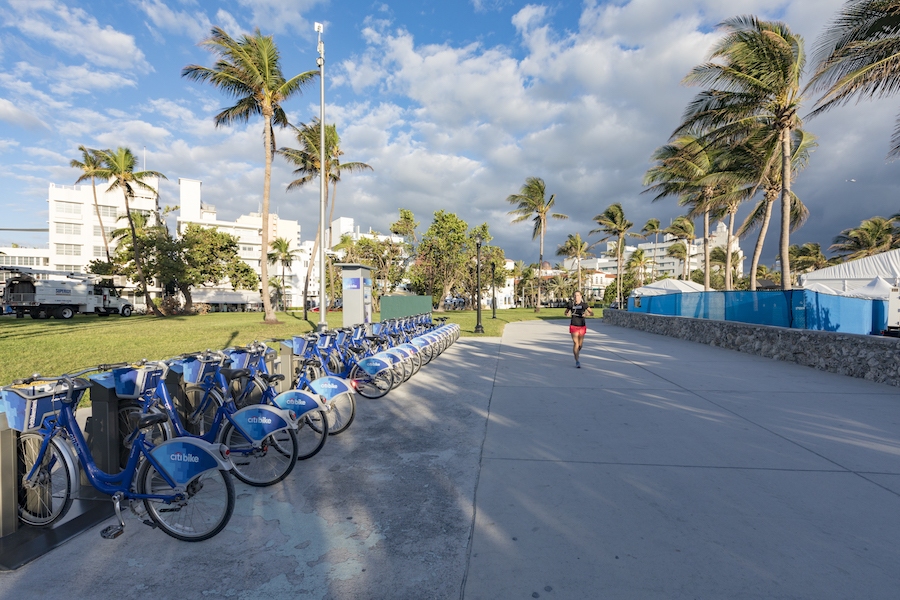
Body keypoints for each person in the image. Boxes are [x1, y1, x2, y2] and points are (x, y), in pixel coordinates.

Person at [564, 290, 593, 368]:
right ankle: (577, 361)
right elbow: (565, 312)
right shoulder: (571, 304)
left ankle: (576, 353)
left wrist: (587, 314)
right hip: (573, 325)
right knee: (576, 343)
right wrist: (567, 313)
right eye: (575, 295)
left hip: (582, 326)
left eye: (577, 295)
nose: (576, 297)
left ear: (581, 296)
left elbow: (592, 313)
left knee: (580, 345)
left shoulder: (584, 305)